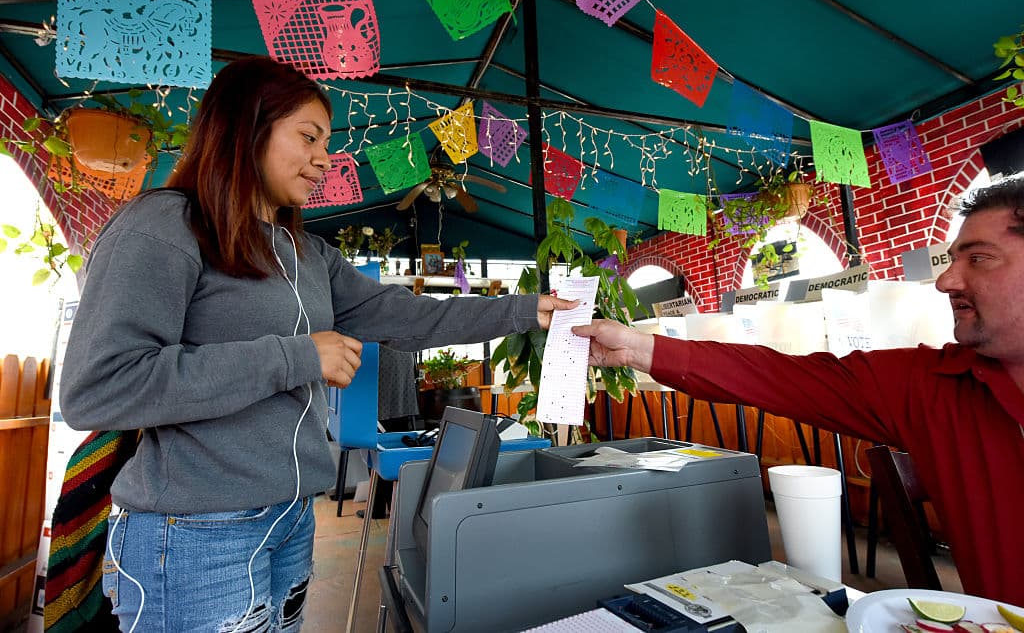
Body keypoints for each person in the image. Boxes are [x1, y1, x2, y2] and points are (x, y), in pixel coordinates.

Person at [58, 55, 576, 632]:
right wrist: (297, 355)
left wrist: (531, 310)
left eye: (326, 142)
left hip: (291, 516)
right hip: (195, 533)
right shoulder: (166, 226)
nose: (324, 159)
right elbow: (99, 388)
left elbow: (411, 318)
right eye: (307, 137)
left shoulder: (310, 254)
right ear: (246, 127)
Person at [573, 177, 1024, 607]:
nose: (946, 281)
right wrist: (635, 347)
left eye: (979, 258)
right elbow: (776, 376)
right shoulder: (932, 384)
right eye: (952, 259)